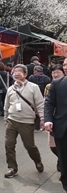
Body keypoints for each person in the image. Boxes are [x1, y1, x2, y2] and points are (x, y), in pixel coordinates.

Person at [3, 64, 44, 178]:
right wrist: (6, 120)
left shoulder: (33, 87)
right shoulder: (10, 89)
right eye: (15, 71)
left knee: (29, 146)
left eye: (19, 71)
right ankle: (12, 168)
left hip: (27, 122)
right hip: (12, 121)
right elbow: (6, 106)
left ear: (25, 74)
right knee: (9, 145)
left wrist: (42, 118)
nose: (16, 73)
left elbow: (40, 104)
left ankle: (37, 161)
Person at [44, 58, 67, 192]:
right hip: (62, 127)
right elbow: (49, 103)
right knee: (63, 157)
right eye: (64, 64)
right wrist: (48, 119)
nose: (65, 67)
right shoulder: (57, 84)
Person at [43, 64, 64, 172]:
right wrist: (46, 119)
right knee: (53, 145)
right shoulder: (49, 86)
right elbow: (47, 103)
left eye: (58, 72)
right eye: (53, 72)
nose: (55, 74)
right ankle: (61, 158)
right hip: (55, 120)